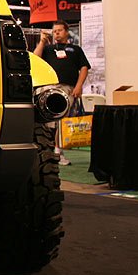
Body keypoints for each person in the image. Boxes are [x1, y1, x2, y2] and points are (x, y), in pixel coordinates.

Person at [34, 20, 90, 166]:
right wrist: (42, 42)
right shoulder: (48, 49)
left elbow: (84, 68)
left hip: (67, 88)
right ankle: (47, 150)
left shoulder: (75, 50)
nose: (56, 33)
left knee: (60, 119)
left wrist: (78, 86)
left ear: (66, 32)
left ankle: (58, 152)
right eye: (54, 31)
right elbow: (35, 59)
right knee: (47, 121)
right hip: (48, 87)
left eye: (59, 30)